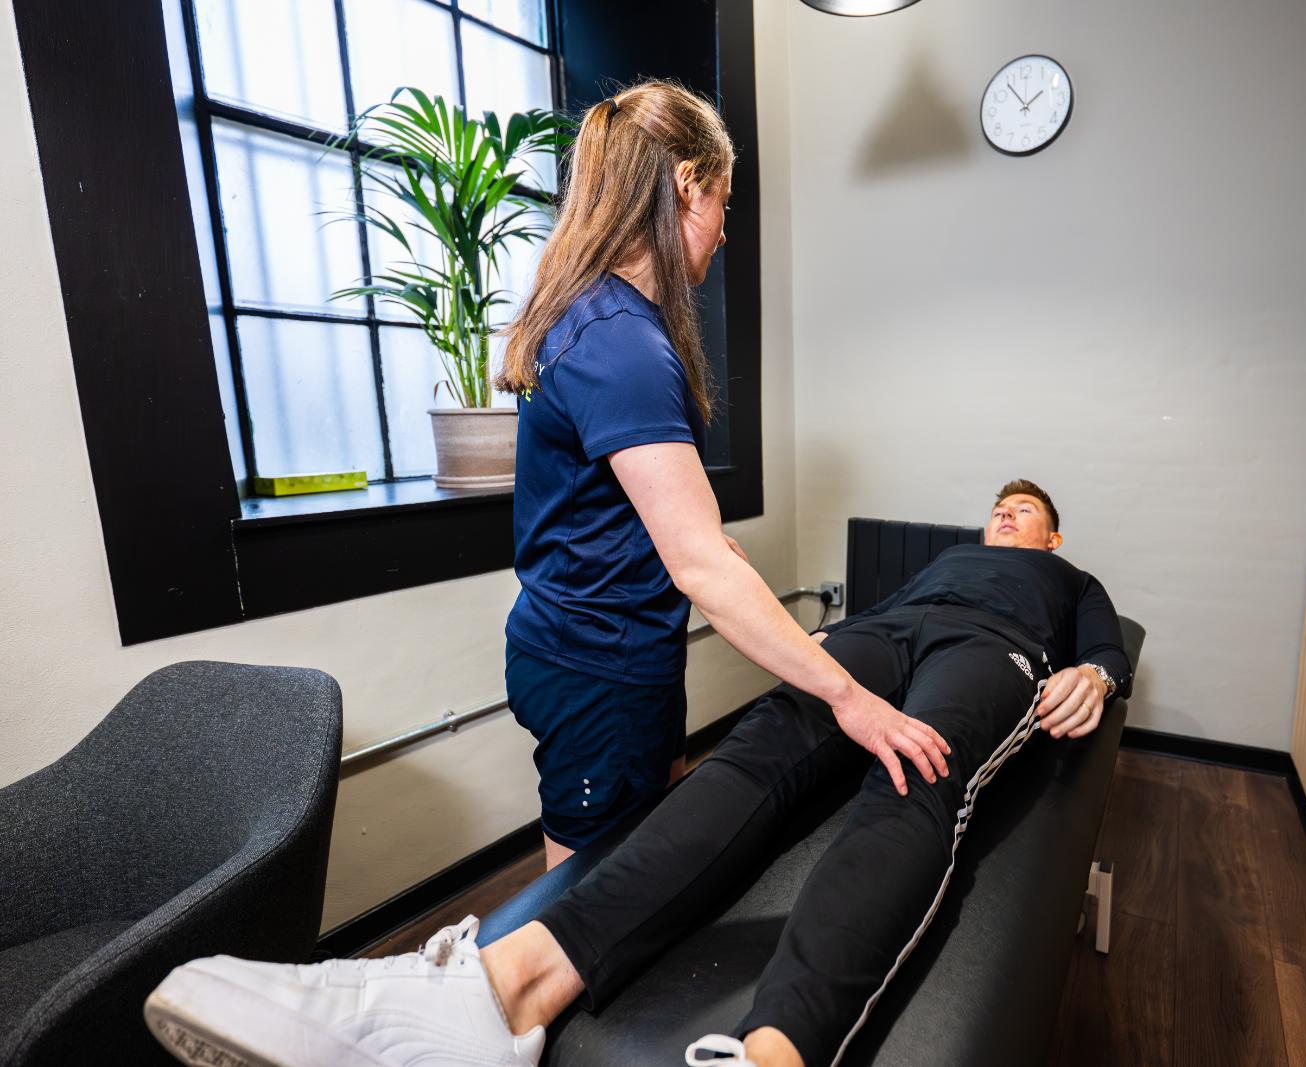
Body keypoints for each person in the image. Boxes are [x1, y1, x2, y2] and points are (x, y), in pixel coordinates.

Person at [144, 480, 1131, 1067]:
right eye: (999, 507)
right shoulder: (943, 558)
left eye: (1025, 511)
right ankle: (496, 996)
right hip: (877, 632)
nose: (1007, 518)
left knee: (918, 772)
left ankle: (775, 1050)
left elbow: (1102, 651)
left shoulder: (1069, 582)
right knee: (755, 749)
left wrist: (1092, 670)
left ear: (1051, 536)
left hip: (990, 652)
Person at [491, 79, 945, 870]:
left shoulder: (609, 322)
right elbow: (701, 564)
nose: (726, 230)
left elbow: (696, 540)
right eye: (724, 203)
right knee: (588, 901)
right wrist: (849, 698)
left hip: (621, 650)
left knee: (655, 843)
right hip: (594, 665)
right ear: (684, 185)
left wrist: (809, 644)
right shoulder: (619, 344)